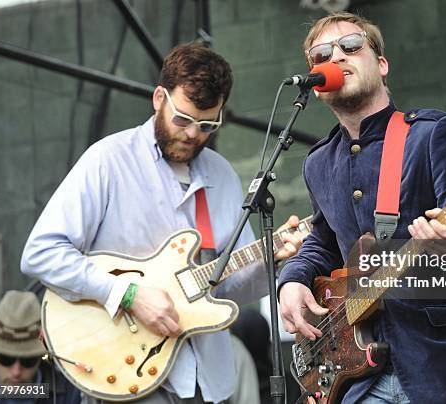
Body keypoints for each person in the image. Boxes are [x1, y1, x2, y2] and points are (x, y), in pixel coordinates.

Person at [20, 43, 302, 403]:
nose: (191, 134)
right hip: (124, 371)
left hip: (207, 381)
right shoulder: (107, 161)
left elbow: (228, 290)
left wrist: (270, 260)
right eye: (182, 119)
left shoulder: (223, 176)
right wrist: (127, 294)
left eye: (206, 125)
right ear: (159, 98)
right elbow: (40, 253)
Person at [278, 12, 446, 404]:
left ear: (382, 65)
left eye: (351, 46)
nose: (336, 57)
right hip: (359, 377)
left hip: (445, 367)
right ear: (316, 85)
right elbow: (323, 241)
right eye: (321, 54)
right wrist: (293, 279)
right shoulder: (317, 162)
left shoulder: (434, 134)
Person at [0, 290, 81, 403]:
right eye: (6, 359)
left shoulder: (69, 392)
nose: (16, 372)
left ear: (40, 356)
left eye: (28, 361)